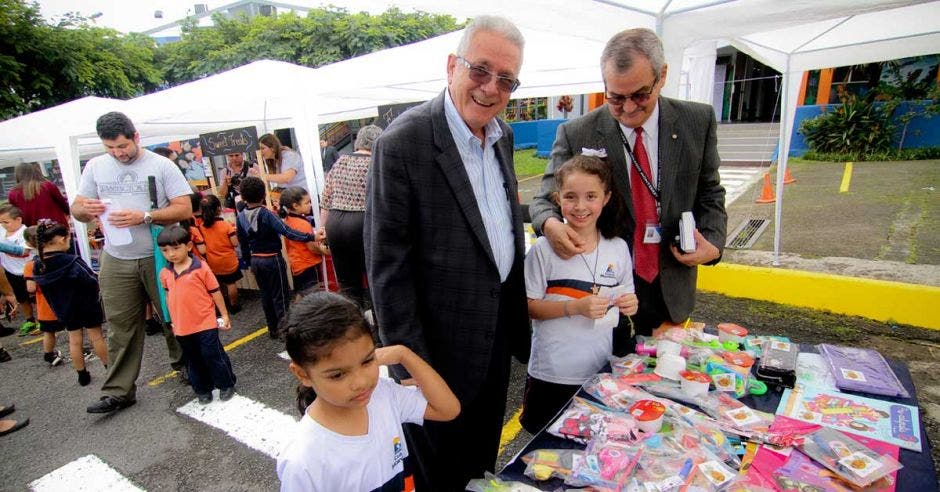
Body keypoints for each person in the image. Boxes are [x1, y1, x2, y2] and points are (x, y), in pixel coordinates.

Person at [364, 15, 530, 490]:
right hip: (436, 350)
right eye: (480, 70)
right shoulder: (403, 143)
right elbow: (386, 268)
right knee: (440, 469)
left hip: (494, 336)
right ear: (452, 65)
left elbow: (496, 225)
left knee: (481, 456)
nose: (490, 87)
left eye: (506, 79)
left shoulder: (503, 135)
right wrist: (411, 366)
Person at [530, 28, 727, 344]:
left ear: (661, 76)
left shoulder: (697, 120)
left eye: (640, 95)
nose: (629, 108)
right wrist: (551, 225)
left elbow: (710, 191)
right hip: (602, 293)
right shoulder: (577, 132)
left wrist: (714, 243)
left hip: (671, 289)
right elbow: (543, 201)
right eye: (616, 98)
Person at [72, 111, 193, 414]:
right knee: (120, 325)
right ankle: (119, 391)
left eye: (123, 146)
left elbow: (185, 208)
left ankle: (187, 366)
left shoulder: (161, 164)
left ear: (136, 137)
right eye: (110, 148)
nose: (118, 153)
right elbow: (76, 208)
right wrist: (85, 210)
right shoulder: (96, 167)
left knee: (172, 315)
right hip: (116, 256)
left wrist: (146, 216)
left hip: (159, 253)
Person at [276, 291, 460, 491]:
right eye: (337, 375)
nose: (361, 382)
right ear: (302, 374)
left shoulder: (384, 395)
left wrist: (403, 354)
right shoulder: (304, 461)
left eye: (367, 361)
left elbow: (447, 409)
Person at [520, 155, 638, 433]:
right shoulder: (543, 250)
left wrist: (629, 304)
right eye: (571, 197)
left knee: (592, 444)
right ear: (557, 199)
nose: (581, 206)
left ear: (606, 198)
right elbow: (528, 307)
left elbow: (628, 299)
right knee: (542, 448)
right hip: (550, 371)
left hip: (597, 371)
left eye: (591, 196)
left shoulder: (618, 247)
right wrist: (575, 307)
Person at [157, 225, 236, 405]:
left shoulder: (201, 267)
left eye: (176, 248)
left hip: (205, 322)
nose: (171, 254)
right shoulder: (165, 273)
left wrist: (224, 314)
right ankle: (202, 389)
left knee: (212, 354)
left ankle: (226, 383)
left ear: (189, 246)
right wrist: (171, 320)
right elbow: (169, 296)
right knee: (192, 359)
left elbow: (215, 291)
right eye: (165, 250)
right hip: (182, 326)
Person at [27, 221, 109, 386]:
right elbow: (91, 280)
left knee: (74, 341)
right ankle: (110, 367)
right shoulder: (71, 261)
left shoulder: (38, 265)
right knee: (97, 338)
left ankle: (82, 374)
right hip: (86, 304)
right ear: (61, 239)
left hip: (62, 308)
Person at [236, 177, 318, 339]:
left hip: (256, 260)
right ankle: (285, 332)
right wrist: (310, 237)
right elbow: (287, 231)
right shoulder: (266, 214)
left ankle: (272, 329)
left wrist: (248, 261)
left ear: (243, 196)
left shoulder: (241, 217)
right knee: (280, 296)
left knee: (266, 296)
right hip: (272, 259)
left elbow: (242, 242)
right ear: (262, 195)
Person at [320, 124, 382, 307]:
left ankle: (353, 328)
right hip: (363, 223)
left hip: (336, 224)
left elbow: (326, 199)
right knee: (375, 280)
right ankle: (380, 327)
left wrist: (322, 231)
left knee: (347, 284)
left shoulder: (340, 162)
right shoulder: (376, 163)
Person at [196, 195, 243, 312]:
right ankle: (234, 305)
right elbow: (235, 243)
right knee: (231, 283)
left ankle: (223, 305)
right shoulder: (226, 225)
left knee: (218, 284)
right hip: (228, 260)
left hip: (212, 262)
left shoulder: (201, 227)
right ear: (219, 208)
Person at [278, 187, 327, 298]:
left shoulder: (287, 220)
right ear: (295, 205)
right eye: (307, 202)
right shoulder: (303, 224)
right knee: (312, 297)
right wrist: (325, 251)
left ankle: (295, 314)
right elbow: (312, 248)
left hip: (296, 264)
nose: (310, 204)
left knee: (300, 294)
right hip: (308, 264)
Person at [0, 204, 37, 336]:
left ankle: (45, 320)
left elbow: (23, 252)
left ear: (18, 220)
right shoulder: (1, 231)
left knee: (36, 296)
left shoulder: (25, 233)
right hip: (11, 271)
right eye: (0, 222)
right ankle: (30, 320)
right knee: (22, 298)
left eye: (6, 222)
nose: (3, 225)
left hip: (28, 270)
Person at [7, 162, 70, 227]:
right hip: (55, 225)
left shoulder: (13, 193)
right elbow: (62, 202)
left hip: (32, 228)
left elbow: (14, 213)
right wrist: (69, 212)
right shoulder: (47, 186)